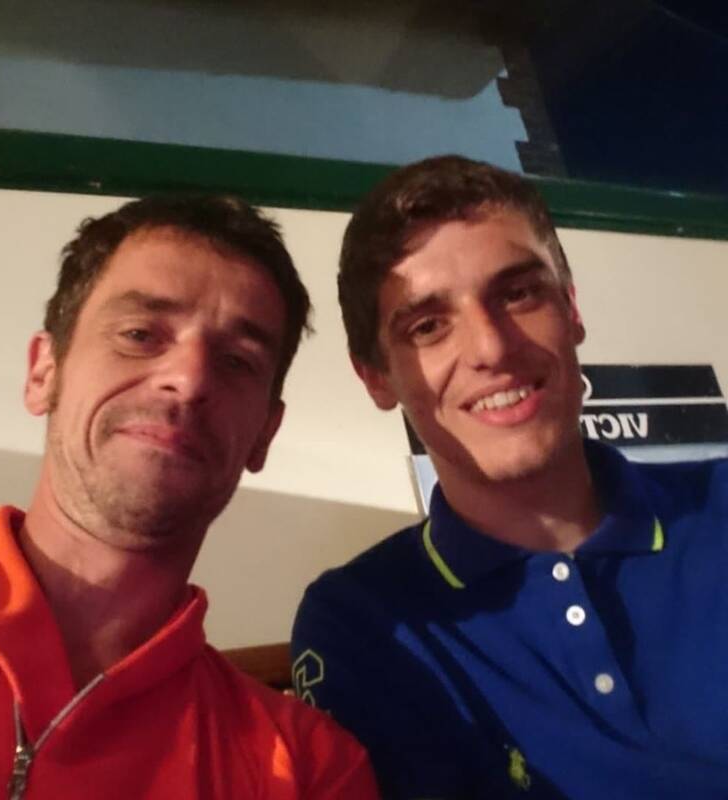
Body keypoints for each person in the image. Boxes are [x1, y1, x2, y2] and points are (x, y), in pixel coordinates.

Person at [291, 155, 728, 799]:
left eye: (518, 294)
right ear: (376, 377)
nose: (492, 348)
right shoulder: (362, 622)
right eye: (428, 326)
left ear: (570, 308)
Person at [0, 194, 379, 799]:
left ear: (264, 435)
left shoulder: (307, 771)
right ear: (43, 373)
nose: (189, 381)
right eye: (140, 334)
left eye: (237, 361)